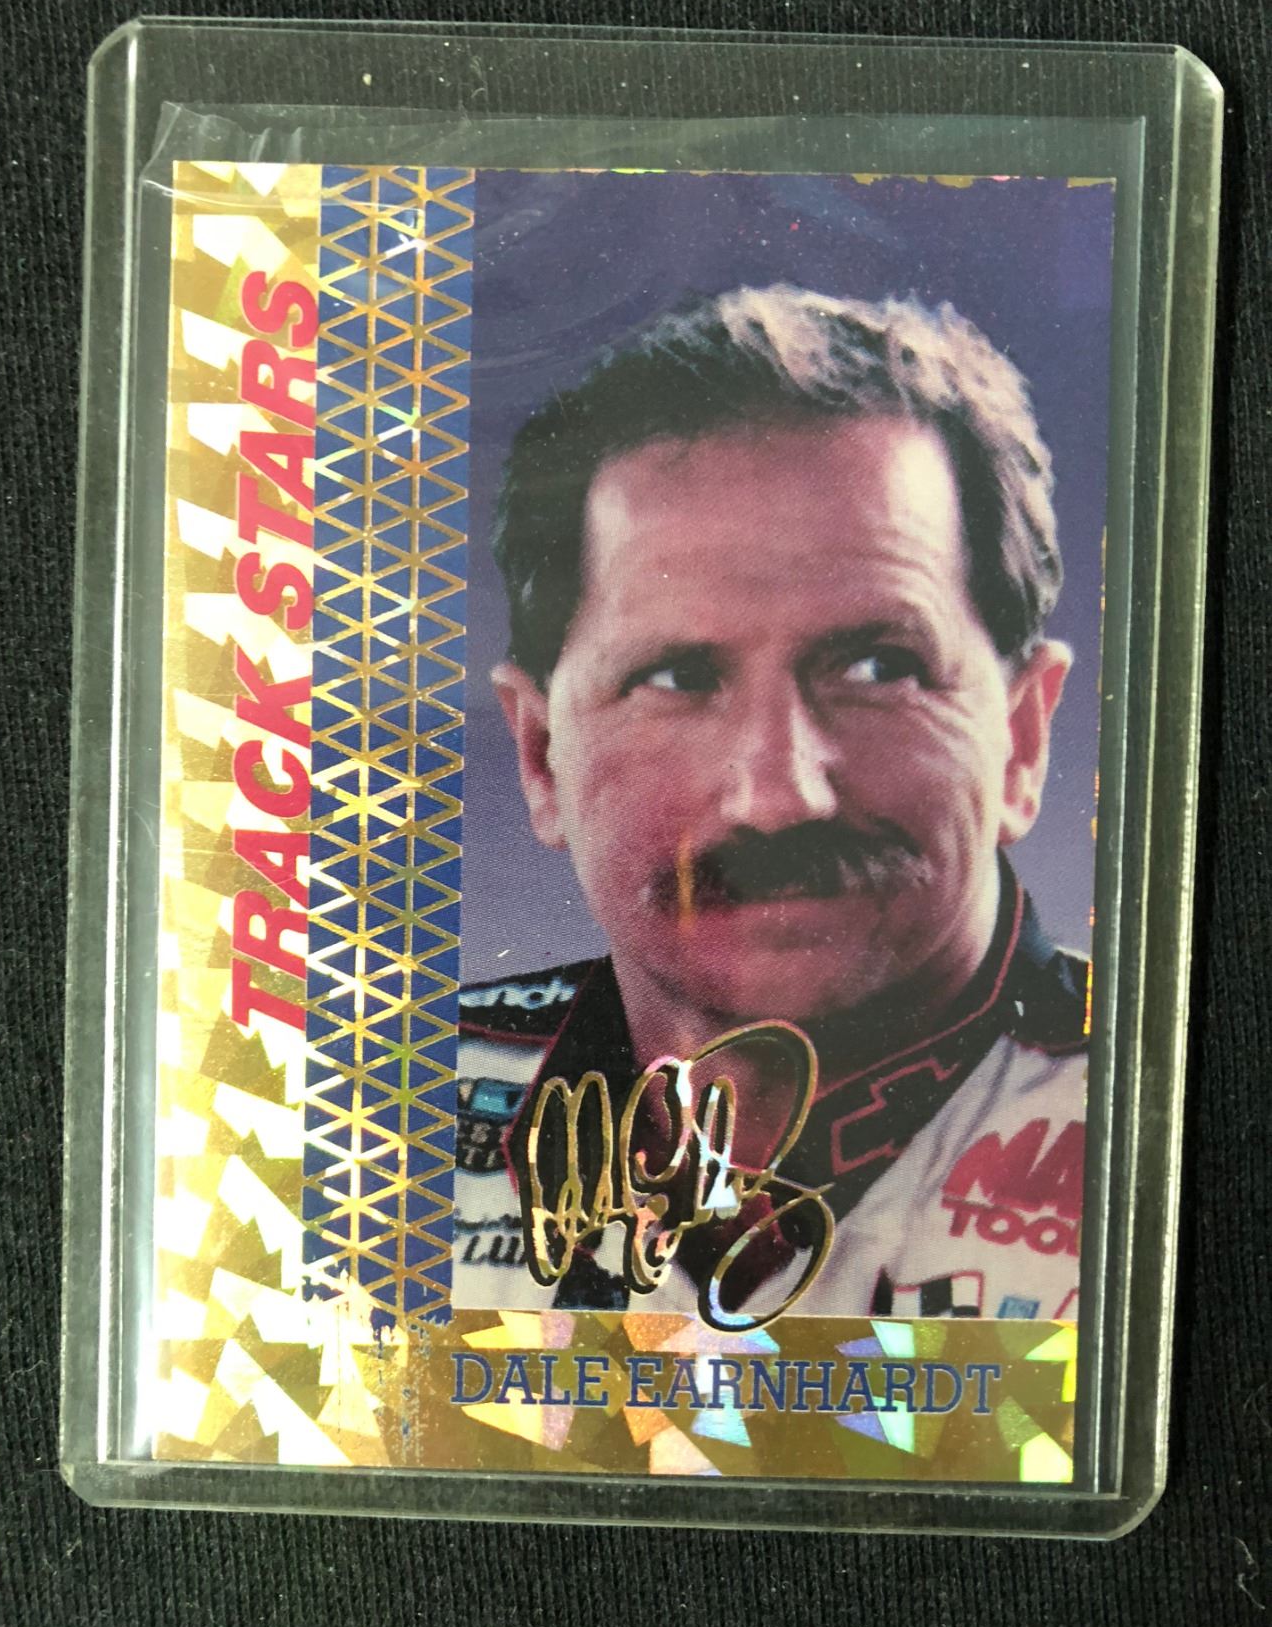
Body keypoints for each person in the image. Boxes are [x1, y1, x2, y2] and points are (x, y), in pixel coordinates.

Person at [454, 283, 1089, 1326]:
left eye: (879, 667)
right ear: (539, 757)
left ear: (1022, 739)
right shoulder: (364, 1126)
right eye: (675, 677)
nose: (782, 795)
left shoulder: (1175, 1119)